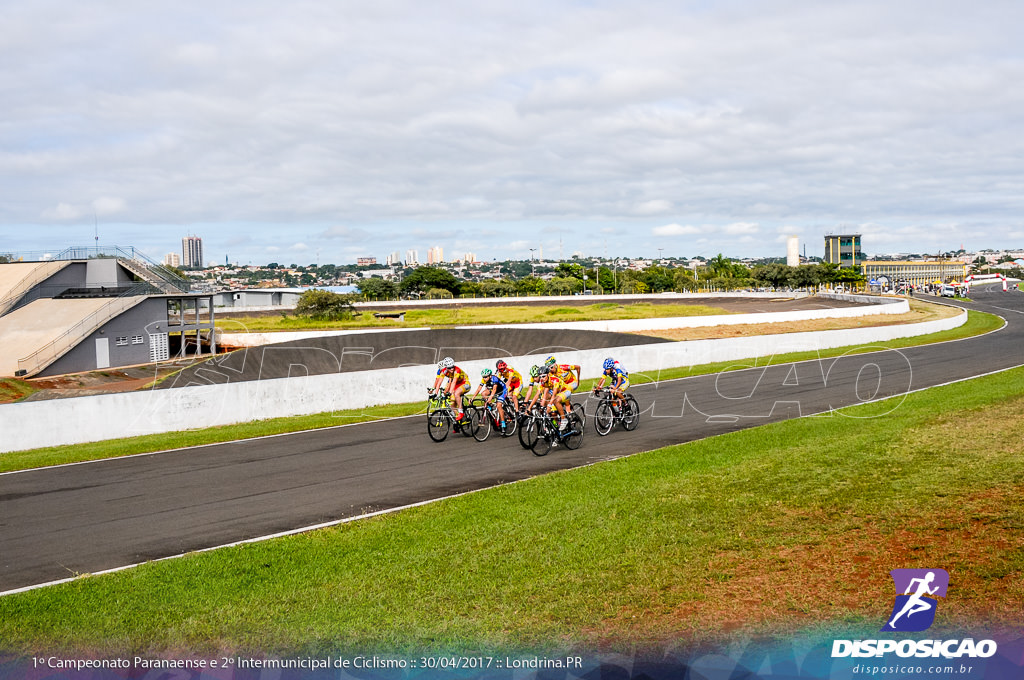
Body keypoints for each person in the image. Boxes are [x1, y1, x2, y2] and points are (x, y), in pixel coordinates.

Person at [528, 364, 573, 431]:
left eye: (543, 376)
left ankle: (564, 419)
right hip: (557, 393)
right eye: (540, 377)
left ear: (548, 375)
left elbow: (554, 395)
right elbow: (537, 395)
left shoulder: (555, 380)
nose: (542, 378)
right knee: (544, 401)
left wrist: (549, 406)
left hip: (565, 391)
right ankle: (554, 424)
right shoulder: (543, 382)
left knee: (555, 401)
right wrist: (529, 407)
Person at [429, 357, 470, 422]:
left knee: (456, 393)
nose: (452, 369)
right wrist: (435, 393)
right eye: (449, 367)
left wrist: (450, 392)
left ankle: (461, 412)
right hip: (457, 384)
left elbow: (453, 382)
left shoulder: (457, 370)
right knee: (452, 403)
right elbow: (439, 382)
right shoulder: (443, 371)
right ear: (446, 367)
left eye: (452, 366)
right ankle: (458, 421)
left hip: (464, 383)